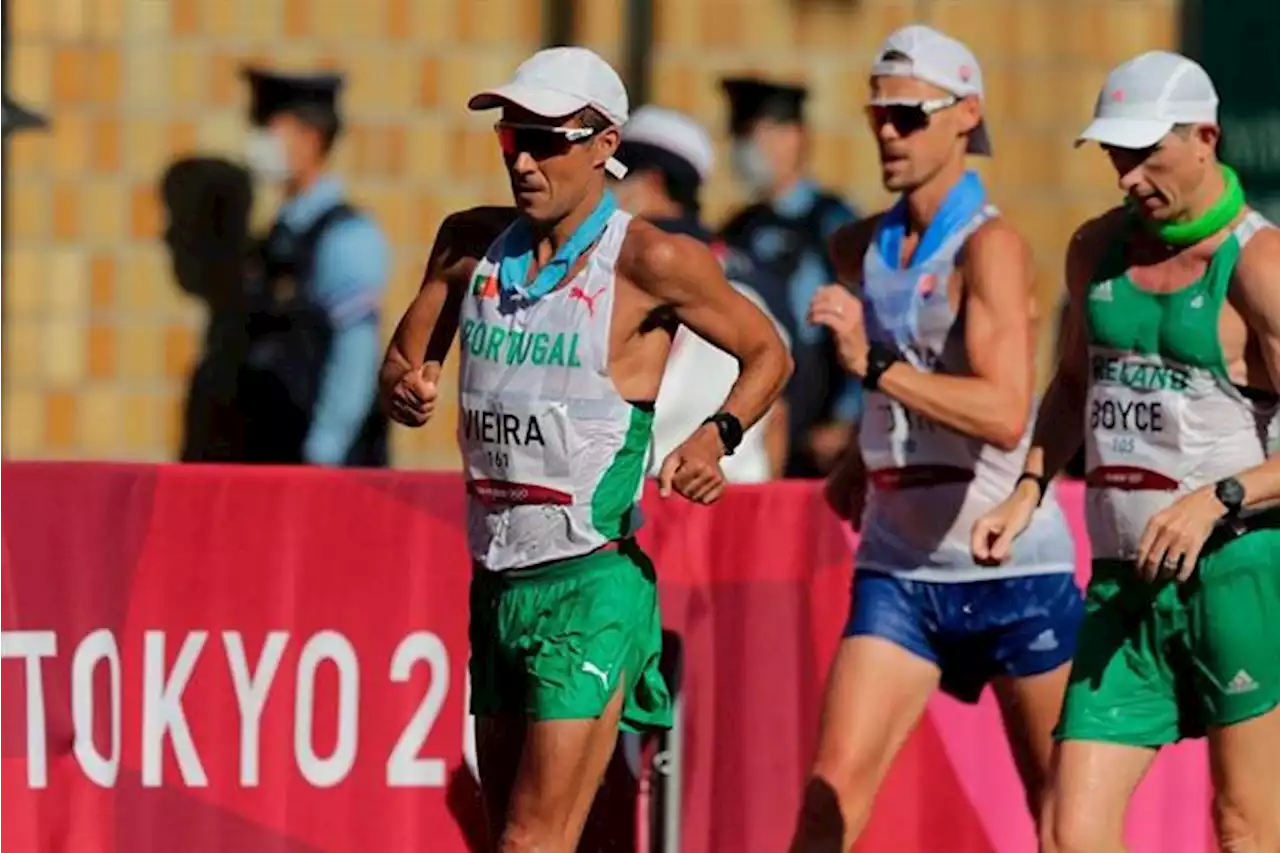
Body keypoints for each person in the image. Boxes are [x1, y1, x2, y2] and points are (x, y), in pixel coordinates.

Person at [378, 47, 791, 853]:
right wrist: (407, 385)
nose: (524, 161)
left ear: (606, 144)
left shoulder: (652, 260)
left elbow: (769, 351)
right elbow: (402, 360)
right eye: (511, 139)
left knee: (533, 839)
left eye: (548, 140)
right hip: (496, 581)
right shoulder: (469, 243)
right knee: (509, 833)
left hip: (591, 585)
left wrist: (719, 435)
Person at [973, 50, 1280, 853]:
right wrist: (1027, 487)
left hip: (1238, 575)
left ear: (1206, 137)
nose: (1128, 175)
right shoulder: (1096, 249)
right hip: (1122, 577)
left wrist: (1221, 496)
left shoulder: (1261, 264)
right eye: (1116, 152)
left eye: (1147, 152)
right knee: (1068, 832)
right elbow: (1074, 384)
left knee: (1245, 825)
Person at [789, 25, 1080, 852]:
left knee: (1064, 820)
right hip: (902, 567)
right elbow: (912, 365)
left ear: (966, 117)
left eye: (909, 116)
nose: (887, 131)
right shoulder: (862, 245)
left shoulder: (991, 247)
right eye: (878, 114)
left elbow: (999, 407)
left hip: (1009, 567)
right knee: (827, 797)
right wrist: (860, 454)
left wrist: (870, 367)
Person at [612, 104, 792, 482]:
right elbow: (780, 413)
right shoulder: (756, 273)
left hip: (648, 501)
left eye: (616, 174)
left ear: (653, 183)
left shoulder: (631, 269)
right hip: (739, 503)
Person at [237, 67, 390, 466]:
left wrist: (322, 453)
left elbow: (354, 355)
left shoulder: (346, 236)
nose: (261, 142)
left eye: (273, 129)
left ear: (311, 138)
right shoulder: (280, 233)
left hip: (324, 468)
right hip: (275, 451)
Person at [718, 75, 863, 477]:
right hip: (754, 428)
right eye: (739, 134)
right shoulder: (738, 228)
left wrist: (845, 419)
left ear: (793, 137)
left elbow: (867, 316)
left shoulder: (833, 224)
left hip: (817, 440)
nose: (743, 148)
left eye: (752, 133)